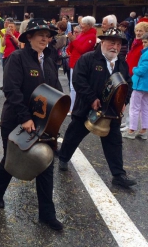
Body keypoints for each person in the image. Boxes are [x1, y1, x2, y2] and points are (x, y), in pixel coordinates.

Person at [0, 18, 64, 231]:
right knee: (11, 159)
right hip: (15, 120)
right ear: (29, 36)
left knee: (46, 163)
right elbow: (11, 90)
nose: (45, 38)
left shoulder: (50, 59)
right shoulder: (17, 58)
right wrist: (25, 118)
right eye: (40, 34)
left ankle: (47, 214)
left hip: (44, 124)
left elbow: (57, 91)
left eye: (48, 34)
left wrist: (56, 118)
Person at [58, 28, 137, 188]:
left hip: (111, 112)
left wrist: (123, 103)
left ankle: (118, 175)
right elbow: (78, 80)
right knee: (73, 135)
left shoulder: (121, 62)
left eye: (118, 44)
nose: (115, 46)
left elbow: (128, 84)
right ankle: (64, 158)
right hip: (86, 109)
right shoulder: (88, 59)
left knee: (114, 142)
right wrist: (92, 99)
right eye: (111, 43)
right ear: (103, 42)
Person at [66, 16, 97, 115]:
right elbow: (74, 46)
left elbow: (83, 49)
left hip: (80, 63)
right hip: (74, 61)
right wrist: (72, 40)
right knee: (72, 87)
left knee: (76, 86)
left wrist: (73, 40)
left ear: (89, 25)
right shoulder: (82, 33)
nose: (81, 26)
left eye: (83, 24)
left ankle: (74, 107)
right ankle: (72, 107)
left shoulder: (91, 36)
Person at [122, 33, 148, 140]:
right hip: (145, 85)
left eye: (145, 42)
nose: (143, 45)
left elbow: (142, 70)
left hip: (139, 84)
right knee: (144, 107)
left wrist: (134, 69)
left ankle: (131, 130)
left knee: (134, 107)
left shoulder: (146, 54)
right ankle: (143, 130)